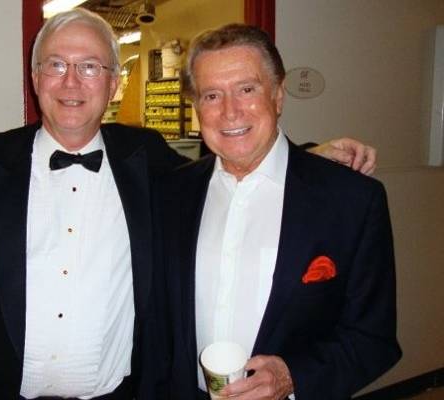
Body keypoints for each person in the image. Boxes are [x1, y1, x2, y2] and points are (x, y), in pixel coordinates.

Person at [0, 8, 379, 400]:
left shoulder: (146, 160)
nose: (71, 81)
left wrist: (309, 158)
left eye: (90, 67)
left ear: (115, 83)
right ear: (35, 75)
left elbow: (244, 155)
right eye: (56, 64)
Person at [153, 24, 401, 400]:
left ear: (279, 95)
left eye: (247, 89)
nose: (229, 112)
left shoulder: (351, 200)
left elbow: (373, 339)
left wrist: (293, 376)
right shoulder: (172, 193)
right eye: (212, 95)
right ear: (196, 106)